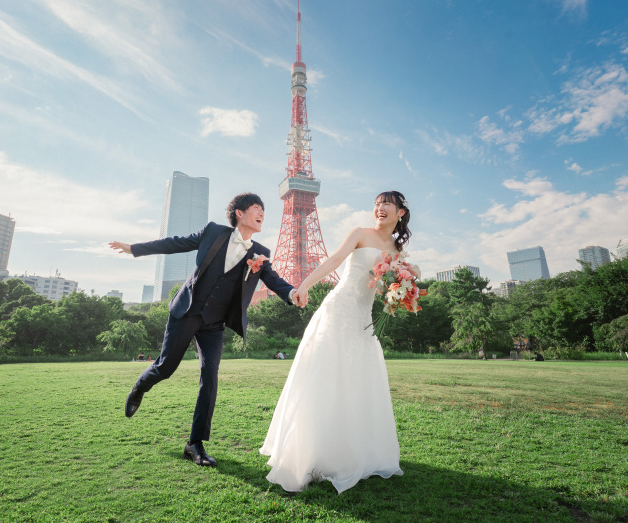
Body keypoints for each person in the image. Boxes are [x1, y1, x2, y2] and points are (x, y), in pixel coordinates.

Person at [109, 193, 299, 468]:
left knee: (209, 376)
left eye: (263, 210)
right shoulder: (214, 232)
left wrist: (292, 293)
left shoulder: (260, 253)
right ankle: (140, 386)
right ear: (239, 213)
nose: (262, 214)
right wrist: (134, 248)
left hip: (214, 323)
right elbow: (175, 243)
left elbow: (274, 280)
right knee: (165, 367)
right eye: (256, 208)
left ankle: (195, 443)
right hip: (187, 311)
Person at [260, 190, 408, 493]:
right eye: (377, 204)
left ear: (400, 213)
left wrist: (396, 296)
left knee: (357, 381)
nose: (380, 209)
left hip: (364, 321)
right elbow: (335, 260)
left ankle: (352, 451)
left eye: (387, 205)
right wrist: (303, 285)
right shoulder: (359, 233)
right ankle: (313, 452)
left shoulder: (397, 250)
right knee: (324, 376)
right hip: (339, 311)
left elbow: (389, 287)